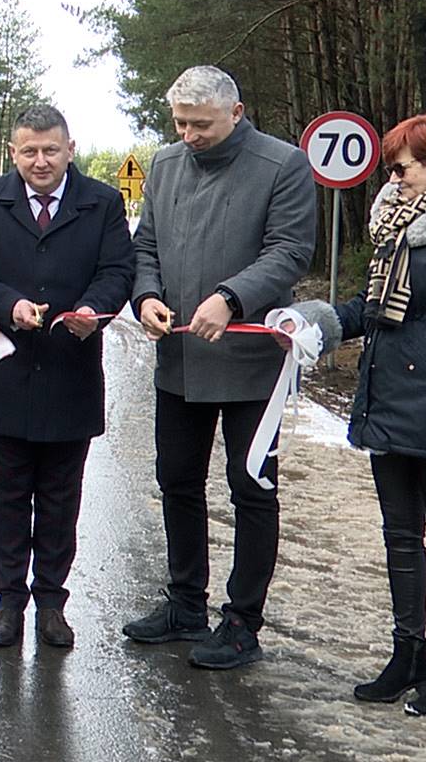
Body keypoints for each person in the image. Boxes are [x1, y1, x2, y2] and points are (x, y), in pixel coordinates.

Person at [285, 113, 426, 720]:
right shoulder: (396, 224)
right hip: (388, 398)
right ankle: (409, 653)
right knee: (400, 536)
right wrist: (319, 324)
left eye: (403, 165)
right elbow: (372, 307)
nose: (395, 176)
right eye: (391, 166)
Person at [124, 65, 316, 669]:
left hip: (250, 363)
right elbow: (146, 245)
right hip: (178, 357)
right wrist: (146, 296)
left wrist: (231, 296)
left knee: (250, 487)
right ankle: (185, 602)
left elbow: (289, 251)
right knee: (176, 479)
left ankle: (241, 621)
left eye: (200, 124)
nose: (188, 135)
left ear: (235, 113)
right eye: (179, 123)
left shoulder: (282, 165)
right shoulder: (163, 164)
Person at [0, 104, 133, 650]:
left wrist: (91, 309)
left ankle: (52, 603)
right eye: (29, 151)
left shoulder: (102, 202)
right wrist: (8, 305)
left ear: (70, 149)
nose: (40, 161)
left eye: (50, 150)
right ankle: (8, 602)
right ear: (13, 153)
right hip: (7, 372)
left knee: (60, 499)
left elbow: (118, 271)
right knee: (7, 497)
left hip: (70, 371)